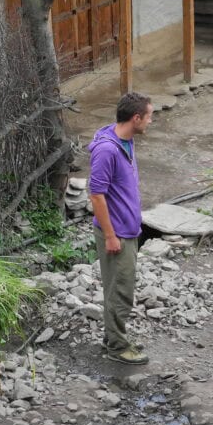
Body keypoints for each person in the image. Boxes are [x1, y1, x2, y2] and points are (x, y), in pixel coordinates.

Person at [88, 91, 153, 365]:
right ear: (136, 118)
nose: (151, 121)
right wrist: (111, 236)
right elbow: (96, 194)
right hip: (117, 235)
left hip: (128, 230)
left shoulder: (125, 140)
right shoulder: (107, 150)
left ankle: (113, 337)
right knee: (121, 291)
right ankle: (117, 347)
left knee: (117, 287)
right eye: (149, 116)